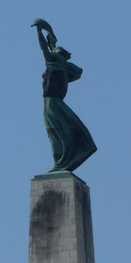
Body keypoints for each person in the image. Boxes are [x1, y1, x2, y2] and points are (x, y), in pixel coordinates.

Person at [32, 18, 97, 172]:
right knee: (59, 132)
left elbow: (43, 49)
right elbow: (76, 71)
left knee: (56, 132)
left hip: (52, 103)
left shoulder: (55, 62)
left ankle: (60, 163)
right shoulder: (64, 67)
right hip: (55, 103)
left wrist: (39, 31)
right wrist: (52, 41)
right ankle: (61, 163)